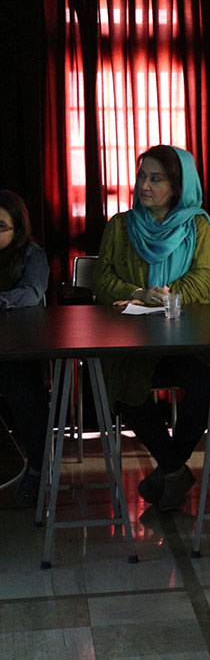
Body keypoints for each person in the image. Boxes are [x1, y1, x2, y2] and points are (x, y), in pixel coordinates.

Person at [94, 144, 210, 512]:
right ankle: (175, 469)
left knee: (208, 382)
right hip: (133, 338)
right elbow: (103, 280)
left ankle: (167, 471)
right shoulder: (120, 226)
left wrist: (163, 298)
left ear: (178, 186)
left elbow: (202, 279)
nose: (144, 186)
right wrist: (139, 294)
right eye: (142, 177)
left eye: (156, 179)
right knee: (123, 384)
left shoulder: (198, 226)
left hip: (186, 335)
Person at [0, 190, 50, 506]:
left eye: (0, 227)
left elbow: (31, 293)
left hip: (23, 346)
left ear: (17, 229)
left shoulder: (32, 254)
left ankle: (36, 467)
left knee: (21, 387)